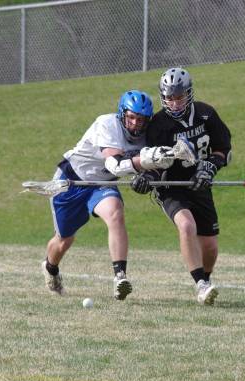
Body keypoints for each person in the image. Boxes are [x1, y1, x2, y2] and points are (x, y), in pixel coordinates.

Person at [42, 90, 175, 300]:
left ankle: (120, 276)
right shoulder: (107, 124)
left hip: (102, 185)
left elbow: (149, 167)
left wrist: (148, 177)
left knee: (115, 213)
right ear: (122, 114)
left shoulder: (147, 137)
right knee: (64, 240)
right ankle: (50, 268)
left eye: (141, 120)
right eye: (131, 117)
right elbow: (115, 165)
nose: (135, 124)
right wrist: (144, 162)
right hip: (73, 179)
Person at [131, 67, 232, 306]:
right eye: (169, 98)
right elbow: (152, 160)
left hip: (199, 184)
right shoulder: (158, 124)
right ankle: (200, 284)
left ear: (189, 93)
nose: (175, 103)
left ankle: (205, 280)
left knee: (210, 245)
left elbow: (224, 150)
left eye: (179, 97)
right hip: (171, 185)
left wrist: (209, 167)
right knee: (187, 225)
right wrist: (147, 178)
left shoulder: (206, 114)